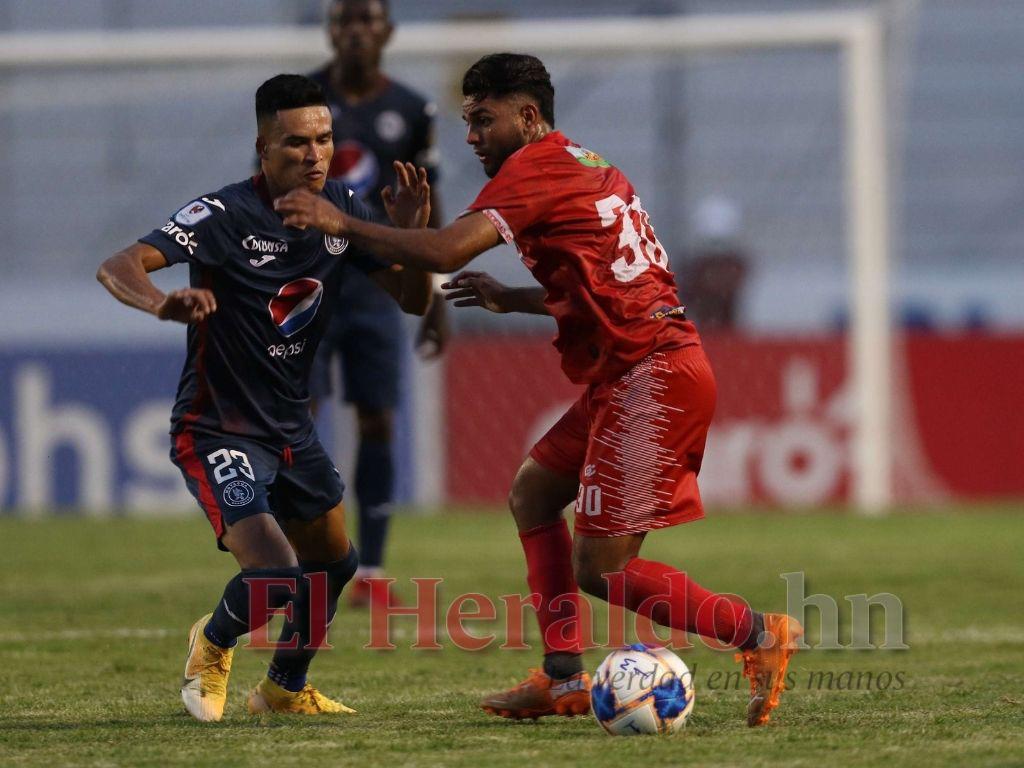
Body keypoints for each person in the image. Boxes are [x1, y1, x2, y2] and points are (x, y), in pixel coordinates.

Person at [273, 53, 803, 728]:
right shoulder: (586, 163)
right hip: (636, 367)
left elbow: (444, 252)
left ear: (527, 116)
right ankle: (561, 679)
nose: (471, 137)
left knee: (602, 568)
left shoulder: (534, 168)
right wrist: (509, 297)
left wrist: (342, 221)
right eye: (466, 121)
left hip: (651, 375)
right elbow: (605, 284)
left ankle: (757, 632)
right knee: (534, 491)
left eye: (483, 119)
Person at [96, 74, 432, 722]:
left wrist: (411, 239)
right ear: (263, 147)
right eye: (296, 143)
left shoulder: (345, 209)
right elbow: (119, 265)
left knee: (334, 565)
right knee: (276, 573)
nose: (314, 155)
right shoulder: (223, 216)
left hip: (290, 426)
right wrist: (163, 302)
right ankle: (213, 642)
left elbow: (414, 300)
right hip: (217, 425)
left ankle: (281, 689)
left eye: (325, 139)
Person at [308, 0, 448, 607]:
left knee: (377, 418)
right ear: (331, 29)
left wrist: (436, 289)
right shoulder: (300, 98)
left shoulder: (412, 110)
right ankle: (302, 559)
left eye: (369, 18)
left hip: (376, 286)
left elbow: (429, 202)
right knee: (297, 419)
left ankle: (374, 572)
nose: (358, 30)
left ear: (387, 31)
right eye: (347, 19)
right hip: (306, 281)